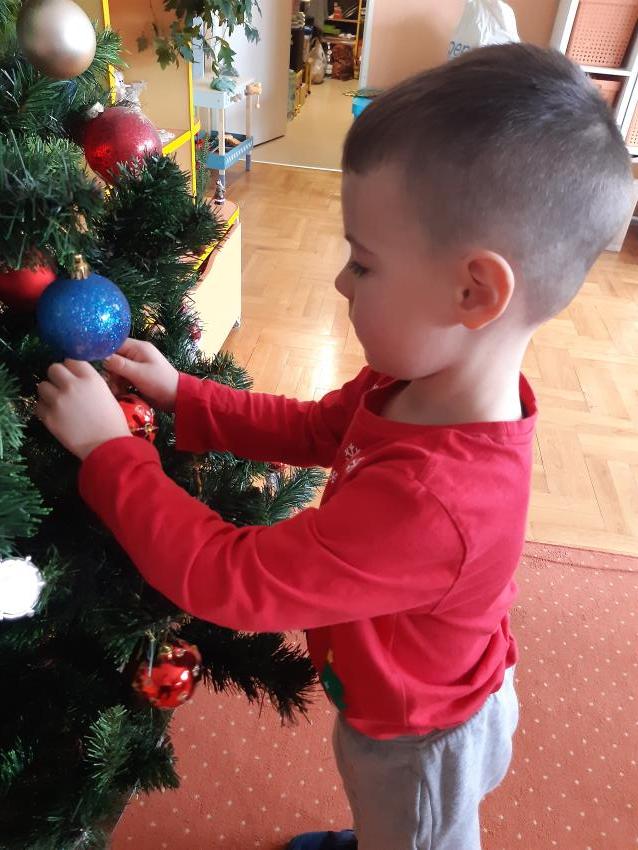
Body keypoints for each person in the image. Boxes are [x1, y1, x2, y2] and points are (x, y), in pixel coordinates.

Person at [36, 44, 633, 850]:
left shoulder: (435, 503)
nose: (342, 283)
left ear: (474, 292)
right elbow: (317, 430)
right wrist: (183, 394)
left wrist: (111, 452)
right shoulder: (412, 380)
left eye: (364, 263)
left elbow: (228, 578)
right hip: (409, 687)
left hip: (420, 740)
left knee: (410, 830)